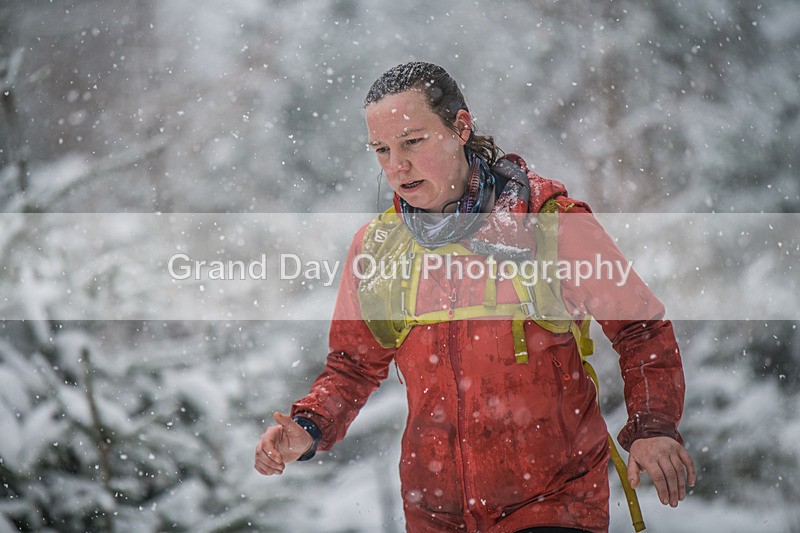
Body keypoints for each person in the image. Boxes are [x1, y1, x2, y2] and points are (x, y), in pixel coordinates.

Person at [254, 61, 696, 533]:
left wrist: (652, 425)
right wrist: (309, 426)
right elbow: (352, 365)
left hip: (553, 503)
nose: (395, 166)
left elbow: (639, 327)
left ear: (460, 127)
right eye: (381, 149)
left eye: (412, 141)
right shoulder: (378, 248)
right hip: (435, 513)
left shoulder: (548, 221)